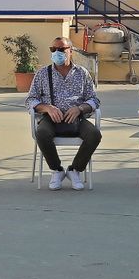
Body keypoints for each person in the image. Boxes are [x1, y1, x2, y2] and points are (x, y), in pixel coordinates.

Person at [26, 37, 101, 190]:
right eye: (53, 49)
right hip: (52, 118)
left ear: (70, 52)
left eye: (61, 49)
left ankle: (75, 170)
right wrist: (48, 108)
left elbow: (94, 99)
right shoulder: (42, 74)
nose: (56, 52)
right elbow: (30, 99)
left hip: (76, 118)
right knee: (41, 133)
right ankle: (57, 170)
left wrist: (80, 108)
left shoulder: (82, 73)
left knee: (94, 134)